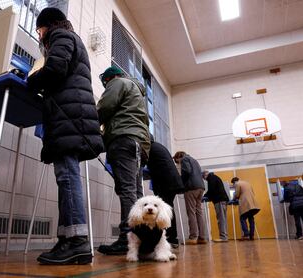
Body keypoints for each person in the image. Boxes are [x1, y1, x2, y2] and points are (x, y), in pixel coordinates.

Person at [27, 7, 104, 264]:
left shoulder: (60, 36)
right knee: (66, 177)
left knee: (67, 177)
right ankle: (68, 239)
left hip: (68, 116)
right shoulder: (70, 38)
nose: (39, 36)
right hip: (72, 115)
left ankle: (77, 241)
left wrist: (32, 78)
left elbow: (56, 68)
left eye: (39, 30)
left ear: (48, 25)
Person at [96, 66, 150, 255]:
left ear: (109, 79)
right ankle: (139, 237)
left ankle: (127, 238)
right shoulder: (137, 93)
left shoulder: (117, 83)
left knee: (126, 190)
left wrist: (91, 121)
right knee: (134, 192)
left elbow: (105, 106)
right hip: (140, 145)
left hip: (123, 140)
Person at [147, 138, 185, 248]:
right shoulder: (158, 146)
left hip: (166, 182)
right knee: (168, 208)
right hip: (171, 181)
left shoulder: (151, 148)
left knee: (165, 210)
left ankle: (170, 237)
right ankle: (172, 238)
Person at [173, 151, 206, 245]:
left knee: (191, 212)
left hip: (191, 188)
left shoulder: (185, 159)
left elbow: (186, 171)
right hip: (200, 187)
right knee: (199, 212)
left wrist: (181, 183)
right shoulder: (195, 160)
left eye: (177, 161)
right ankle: (202, 237)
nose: (178, 164)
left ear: (179, 157)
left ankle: (193, 237)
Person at [203, 171, 229, 242]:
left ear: (205, 175)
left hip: (219, 200)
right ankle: (225, 236)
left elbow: (211, 190)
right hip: (223, 200)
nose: (205, 180)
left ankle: (223, 237)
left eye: (204, 178)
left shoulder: (211, 178)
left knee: (221, 219)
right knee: (223, 219)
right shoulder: (215, 177)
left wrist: (204, 196)